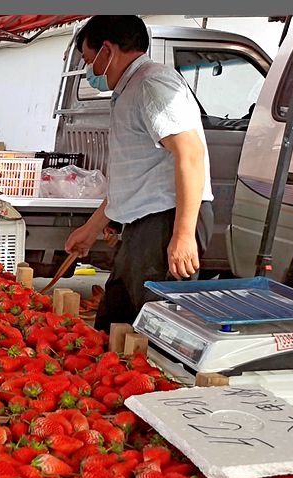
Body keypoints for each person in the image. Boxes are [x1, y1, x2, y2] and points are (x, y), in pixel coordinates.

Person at [64, 15, 213, 332]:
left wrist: (183, 234)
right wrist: (92, 228)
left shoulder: (152, 84)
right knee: (117, 319)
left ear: (108, 50)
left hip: (165, 220)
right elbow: (134, 175)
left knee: (153, 329)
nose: (90, 71)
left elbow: (191, 153)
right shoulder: (131, 88)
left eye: (90, 60)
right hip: (146, 221)